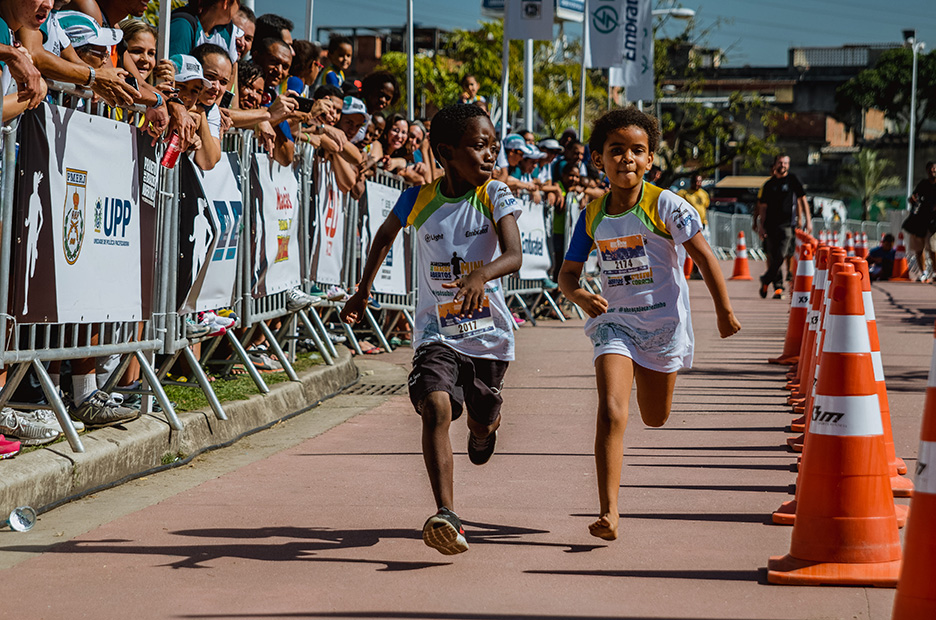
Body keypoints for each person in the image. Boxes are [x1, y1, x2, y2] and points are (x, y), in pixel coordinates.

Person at [340, 103, 523, 555]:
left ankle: (486, 427)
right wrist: (363, 290)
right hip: (435, 333)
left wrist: (482, 275)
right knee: (437, 407)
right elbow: (383, 237)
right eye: (479, 146)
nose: (489, 155)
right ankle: (448, 515)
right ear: (446, 152)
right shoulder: (419, 199)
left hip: (487, 336)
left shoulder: (495, 194)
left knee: (480, 420)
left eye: (493, 147)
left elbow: (514, 254)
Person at [557, 107, 740, 542]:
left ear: (651, 159)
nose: (627, 159)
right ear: (598, 160)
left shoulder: (666, 204)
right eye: (615, 151)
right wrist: (580, 295)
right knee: (611, 411)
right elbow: (566, 274)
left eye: (637, 151)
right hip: (614, 324)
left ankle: (650, 382)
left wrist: (723, 311)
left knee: (654, 418)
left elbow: (704, 256)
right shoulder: (592, 215)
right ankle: (609, 512)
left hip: (662, 327)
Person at [753, 154, 812, 299]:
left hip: (787, 225)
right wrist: (760, 225)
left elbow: (802, 200)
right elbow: (762, 207)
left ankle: (766, 278)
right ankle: (777, 286)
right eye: (780, 163)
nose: (783, 165)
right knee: (773, 257)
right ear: (775, 165)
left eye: (786, 163)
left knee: (782, 253)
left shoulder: (792, 180)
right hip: (770, 226)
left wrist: (807, 220)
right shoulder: (768, 185)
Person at [905, 160, 936, 281]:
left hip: (934, 223)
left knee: (933, 248)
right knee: (919, 249)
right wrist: (912, 199)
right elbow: (913, 197)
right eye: (930, 169)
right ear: (927, 171)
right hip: (920, 221)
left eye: (934, 168)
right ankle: (923, 272)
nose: (932, 171)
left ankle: (934, 272)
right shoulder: (923, 184)